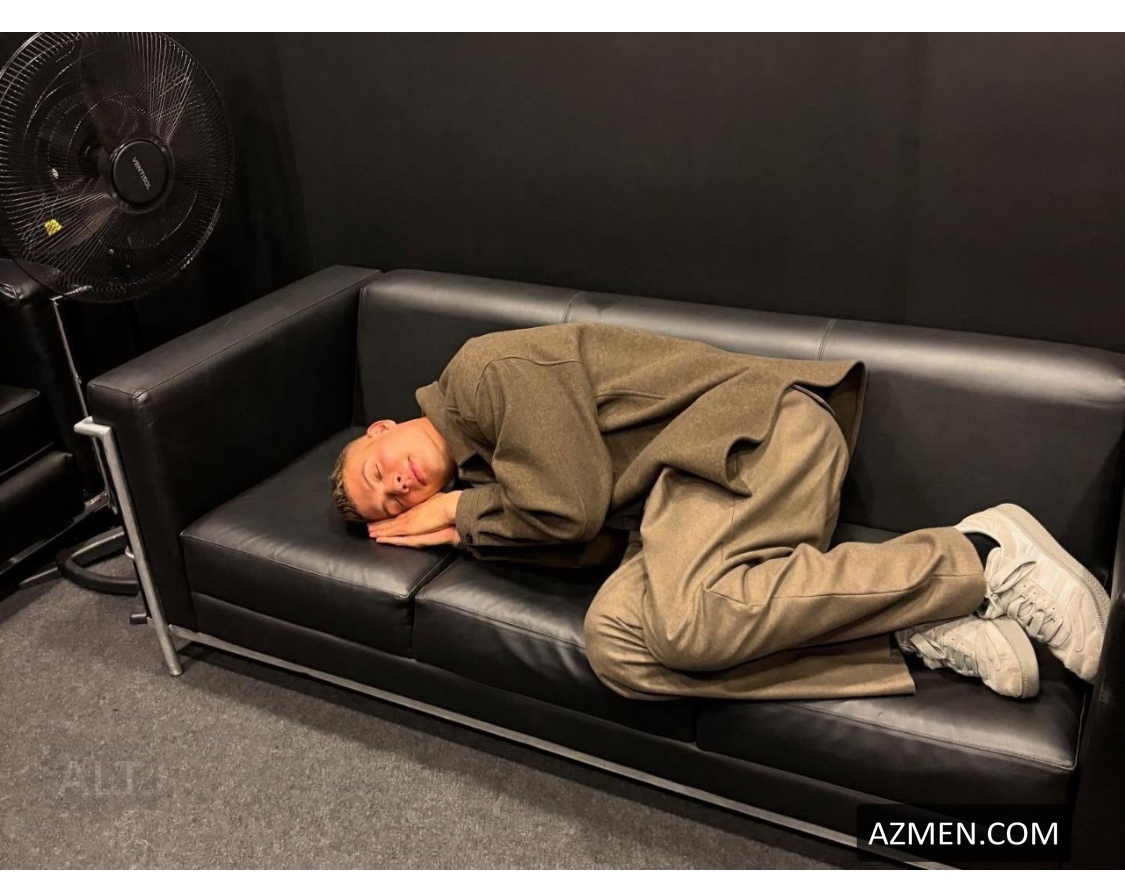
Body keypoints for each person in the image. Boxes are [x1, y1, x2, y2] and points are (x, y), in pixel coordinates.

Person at [329, 321, 1108, 702]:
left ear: (381, 428)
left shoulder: (480, 375)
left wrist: (464, 515)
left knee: (682, 625)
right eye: (393, 500)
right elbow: (595, 547)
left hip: (752, 434)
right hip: (682, 501)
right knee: (615, 647)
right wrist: (470, 521)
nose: (398, 486)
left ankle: (981, 557)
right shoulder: (485, 478)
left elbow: (568, 512)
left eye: (377, 471)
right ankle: (903, 622)